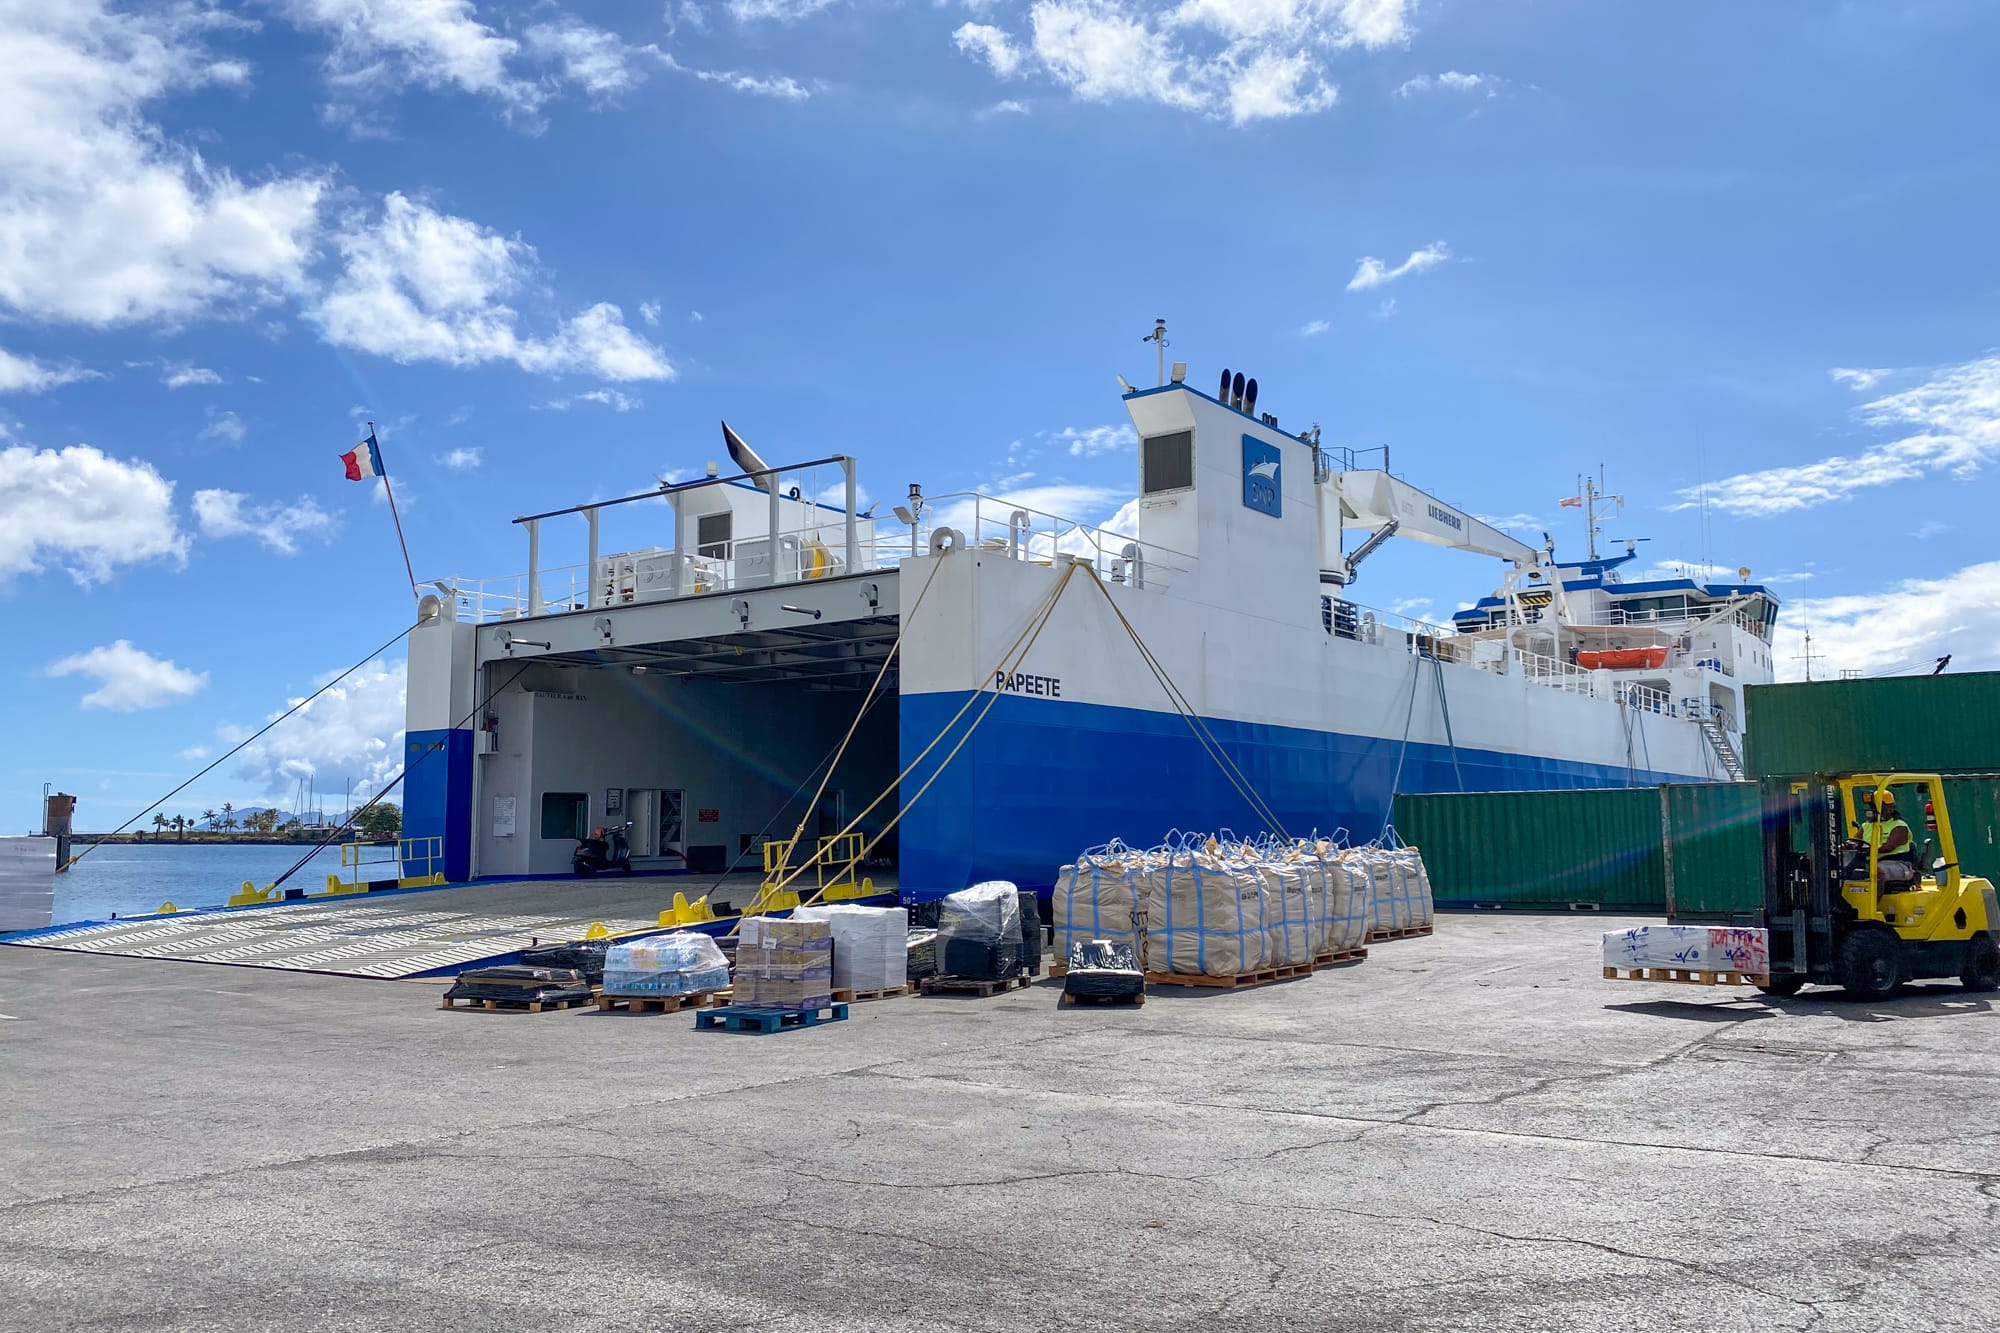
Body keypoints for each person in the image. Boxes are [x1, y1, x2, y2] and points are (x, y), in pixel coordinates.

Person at [1846, 792, 1917, 889]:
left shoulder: (1899, 826)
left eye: (1883, 806)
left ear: (1891, 807)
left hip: (1897, 863)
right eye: (1875, 806)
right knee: (1841, 870)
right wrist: (1846, 846)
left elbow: (1888, 847)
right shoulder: (1866, 825)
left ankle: (1873, 903)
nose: (1878, 809)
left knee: (1876, 871)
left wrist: (1867, 850)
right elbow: (1855, 841)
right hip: (1870, 862)